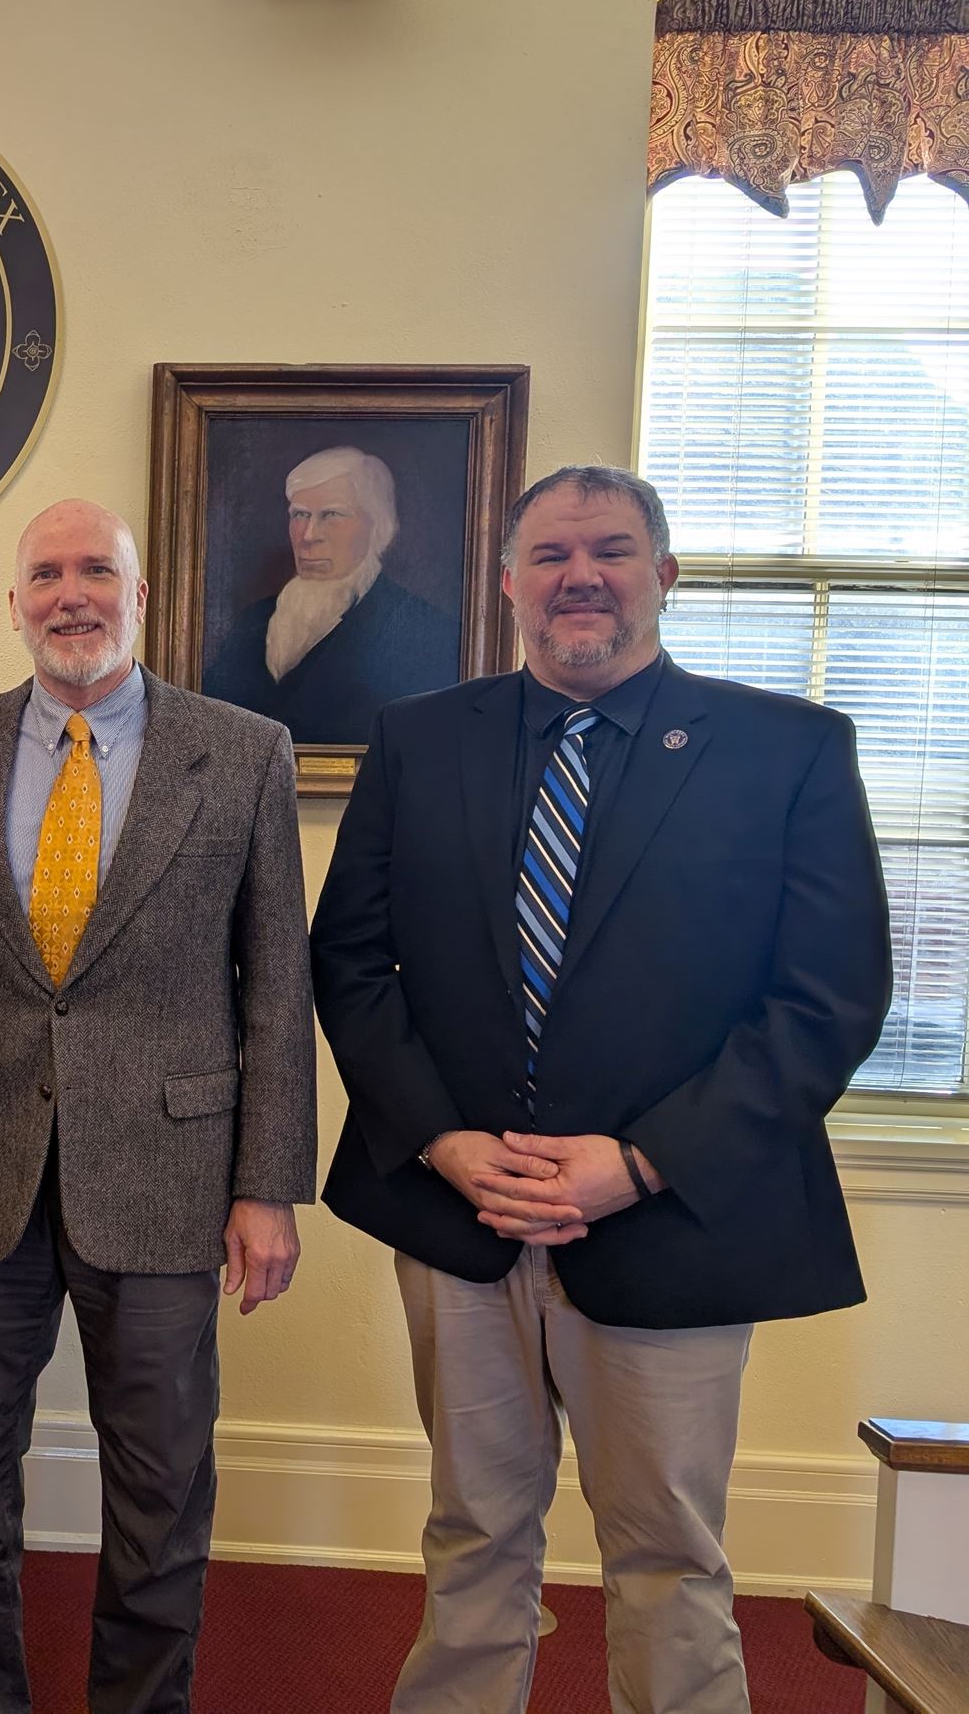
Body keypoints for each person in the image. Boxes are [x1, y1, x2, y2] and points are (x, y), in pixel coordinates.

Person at [312, 465, 893, 1714]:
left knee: (667, 1557)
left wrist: (632, 1162)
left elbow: (825, 999)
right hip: (457, 1215)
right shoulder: (419, 737)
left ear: (663, 574)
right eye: (554, 552)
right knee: (471, 1533)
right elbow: (350, 961)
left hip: (672, 1221)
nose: (582, 575)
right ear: (508, 580)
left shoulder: (784, 748)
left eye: (613, 550)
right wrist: (443, 1142)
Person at [0, 499, 317, 1714]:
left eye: (95, 572)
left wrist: (266, 1183)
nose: (68, 593)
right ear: (13, 602)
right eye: (43, 574)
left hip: (169, 1178)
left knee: (160, 1487)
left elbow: (274, 985)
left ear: (139, 598)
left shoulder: (240, 750)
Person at [202, 445, 458, 744]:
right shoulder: (253, 621)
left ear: (377, 525)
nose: (309, 536)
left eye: (331, 515)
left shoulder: (424, 630)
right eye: (300, 515)